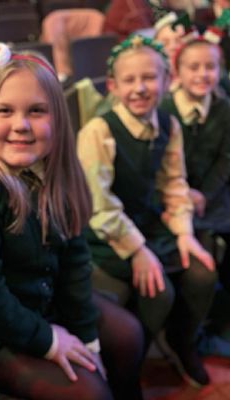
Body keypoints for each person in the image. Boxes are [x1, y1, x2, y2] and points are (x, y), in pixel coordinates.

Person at [0, 32, 145, 400]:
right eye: (4, 111)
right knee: (88, 393)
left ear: (56, 118)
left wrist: (87, 338)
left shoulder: (54, 168)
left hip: (36, 303)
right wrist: (48, 340)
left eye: (36, 111)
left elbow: (74, 261)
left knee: (127, 337)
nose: (21, 125)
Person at [77, 34, 217, 387]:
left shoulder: (169, 125)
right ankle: (127, 363)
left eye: (150, 78)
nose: (140, 88)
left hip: (148, 222)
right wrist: (138, 250)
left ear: (167, 81)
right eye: (129, 80)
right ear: (113, 86)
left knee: (202, 272)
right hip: (108, 230)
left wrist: (184, 233)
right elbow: (98, 204)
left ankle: (182, 342)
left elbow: (174, 183)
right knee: (158, 290)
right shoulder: (99, 131)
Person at [160, 28, 230, 353]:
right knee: (199, 261)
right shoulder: (165, 110)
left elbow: (226, 159)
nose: (203, 74)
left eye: (210, 67)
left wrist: (205, 194)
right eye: (194, 67)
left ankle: (221, 319)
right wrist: (186, 194)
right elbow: (162, 167)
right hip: (176, 198)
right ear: (178, 72)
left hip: (213, 196)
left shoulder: (224, 109)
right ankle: (188, 331)